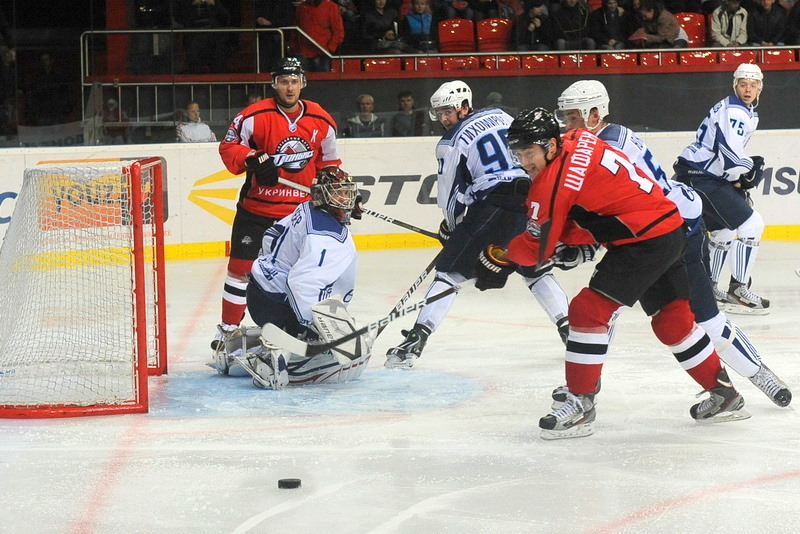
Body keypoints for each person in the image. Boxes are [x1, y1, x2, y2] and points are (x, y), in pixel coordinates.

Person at [475, 108, 750, 439]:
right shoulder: (578, 138)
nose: (523, 162)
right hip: (671, 228)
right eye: (517, 153)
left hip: (642, 239)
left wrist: (501, 257)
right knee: (673, 322)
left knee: (587, 311)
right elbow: (596, 200)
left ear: (550, 145)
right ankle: (725, 395)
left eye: (529, 152)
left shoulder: (549, 185)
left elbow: (537, 249)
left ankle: (580, 404)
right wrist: (573, 238)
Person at [556, 79, 790, 407]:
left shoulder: (603, 148)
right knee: (606, 306)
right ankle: (583, 385)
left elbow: (617, 204)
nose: (567, 126)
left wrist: (584, 242)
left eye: (573, 118)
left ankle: (757, 373)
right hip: (656, 229)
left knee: (700, 317)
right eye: (565, 118)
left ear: (595, 113)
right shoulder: (606, 139)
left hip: (673, 230)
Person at [384, 81, 573, 369]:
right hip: (530, 200)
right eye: (439, 113)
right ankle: (570, 331)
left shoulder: (450, 142)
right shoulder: (501, 116)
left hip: (494, 206)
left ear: (464, 106)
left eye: (448, 111)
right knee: (535, 270)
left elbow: (449, 195)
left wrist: (452, 226)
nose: (444, 119)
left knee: (449, 273)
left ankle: (416, 339)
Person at [214, 58, 344, 352]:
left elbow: (330, 164)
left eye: (294, 81)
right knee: (240, 269)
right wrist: (253, 158)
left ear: (303, 84)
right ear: (274, 83)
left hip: (299, 217)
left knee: (305, 275)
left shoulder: (321, 120)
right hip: (257, 210)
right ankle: (228, 332)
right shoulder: (254, 116)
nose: (289, 87)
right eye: (284, 81)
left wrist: (336, 195)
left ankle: (303, 327)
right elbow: (229, 147)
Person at [216, 167, 372, 389]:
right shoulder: (326, 238)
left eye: (347, 193)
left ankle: (239, 350)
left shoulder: (306, 209)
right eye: (338, 193)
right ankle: (272, 359)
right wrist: (314, 328)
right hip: (279, 305)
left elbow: (271, 236)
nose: (345, 199)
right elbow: (303, 284)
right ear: (322, 195)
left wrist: (276, 267)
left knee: (313, 328)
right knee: (327, 347)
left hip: (261, 292)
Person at [673, 63, 769, 313]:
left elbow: (727, 157)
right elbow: (731, 159)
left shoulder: (740, 109)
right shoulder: (737, 112)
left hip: (696, 173)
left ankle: (711, 286)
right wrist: (748, 168)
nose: (748, 89)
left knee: (724, 229)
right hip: (702, 176)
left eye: (753, 85)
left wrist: (737, 175)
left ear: (760, 88)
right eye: (743, 84)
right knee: (753, 224)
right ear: (735, 85)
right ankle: (738, 290)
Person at [176, 0, 232, 74]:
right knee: (195, 64)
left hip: (213, 38)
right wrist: (193, 5)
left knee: (218, 65)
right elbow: (180, 17)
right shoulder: (187, 3)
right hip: (194, 38)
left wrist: (214, 4)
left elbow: (226, 17)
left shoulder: (215, 3)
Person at [296, 0, 345, 72]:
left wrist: (330, 49)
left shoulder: (331, 7)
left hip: (322, 54)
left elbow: (338, 32)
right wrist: (295, 47)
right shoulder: (301, 8)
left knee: (323, 81)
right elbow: (296, 29)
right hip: (303, 53)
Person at [255, 0, 295, 73]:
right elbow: (257, 11)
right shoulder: (262, 2)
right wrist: (258, 18)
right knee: (264, 64)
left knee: (278, 64)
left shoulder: (285, 3)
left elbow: (288, 19)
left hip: (279, 37)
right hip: (264, 37)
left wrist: (271, 23)